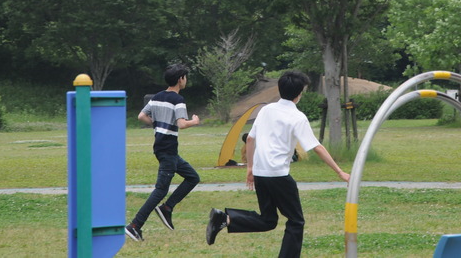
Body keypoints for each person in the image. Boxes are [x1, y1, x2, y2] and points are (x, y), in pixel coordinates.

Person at [206, 70, 350, 257]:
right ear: (300, 94)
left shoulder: (266, 110)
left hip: (260, 173)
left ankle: (224, 218)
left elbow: (250, 139)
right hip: (278, 176)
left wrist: (250, 168)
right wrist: (340, 172)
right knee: (296, 222)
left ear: (280, 89)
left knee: (268, 220)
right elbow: (317, 147)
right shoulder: (297, 117)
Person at [125, 63, 201, 242]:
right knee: (160, 190)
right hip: (168, 149)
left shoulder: (157, 96)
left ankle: (167, 208)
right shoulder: (178, 100)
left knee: (193, 177)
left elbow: (141, 116)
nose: (186, 80)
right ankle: (134, 226)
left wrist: (158, 124)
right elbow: (182, 123)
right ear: (180, 79)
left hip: (164, 149)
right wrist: (195, 121)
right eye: (185, 77)